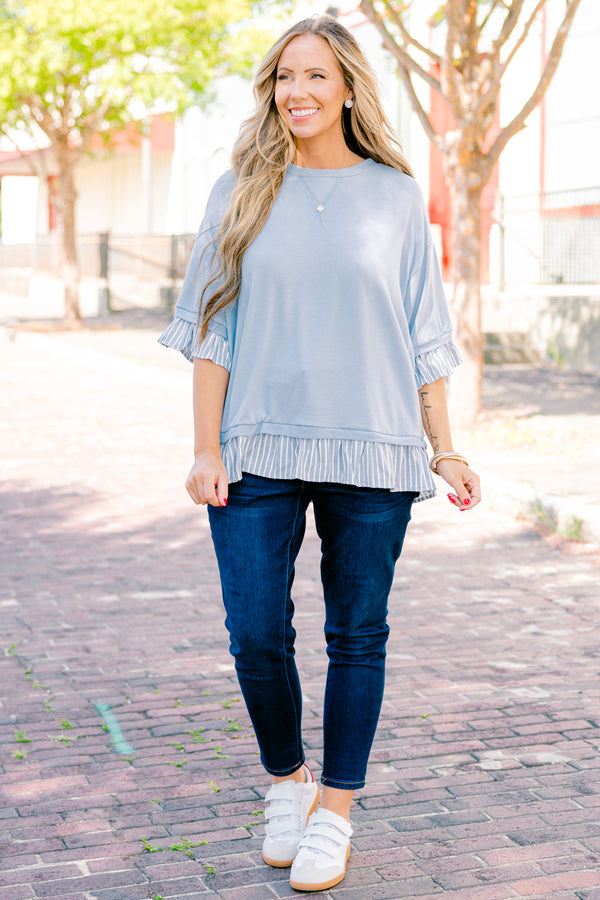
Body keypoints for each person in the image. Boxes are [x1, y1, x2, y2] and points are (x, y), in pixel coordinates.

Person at [159, 14, 481, 893]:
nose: (294, 93)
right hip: (255, 444)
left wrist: (444, 450)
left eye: (313, 76)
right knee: (255, 631)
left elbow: (423, 333)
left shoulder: (395, 195)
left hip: (376, 448)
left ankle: (334, 812)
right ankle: (286, 783)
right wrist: (202, 447)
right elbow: (213, 335)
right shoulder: (239, 189)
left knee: (357, 635)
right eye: (282, 78)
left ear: (346, 87)